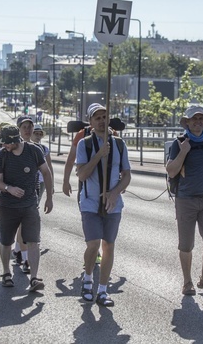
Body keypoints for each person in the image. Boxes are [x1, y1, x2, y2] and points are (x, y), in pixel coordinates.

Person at [75, 103, 131, 307]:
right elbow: (81, 174)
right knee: (93, 244)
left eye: (104, 116)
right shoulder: (85, 145)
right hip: (90, 202)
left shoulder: (119, 144)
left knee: (108, 245)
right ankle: (88, 279)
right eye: (96, 117)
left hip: (112, 204)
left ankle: (103, 290)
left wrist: (114, 193)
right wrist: (99, 155)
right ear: (90, 122)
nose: (101, 120)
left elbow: (126, 175)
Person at [165, 105, 203, 296]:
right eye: (194, 119)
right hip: (185, 200)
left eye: (201, 119)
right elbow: (171, 170)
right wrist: (183, 152)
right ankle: (187, 282)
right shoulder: (179, 142)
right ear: (187, 122)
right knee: (186, 245)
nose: (198, 122)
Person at [0, 125, 53, 293]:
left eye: (6, 143)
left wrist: (49, 197)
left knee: (33, 241)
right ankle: (6, 273)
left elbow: (46, 173)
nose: (4, 146)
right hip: (7, 206)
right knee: (6, 241)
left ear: (15, 140)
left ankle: (34, 277)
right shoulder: (1, 156)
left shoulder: (33, 151)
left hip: (29, 205)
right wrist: (8, 189)